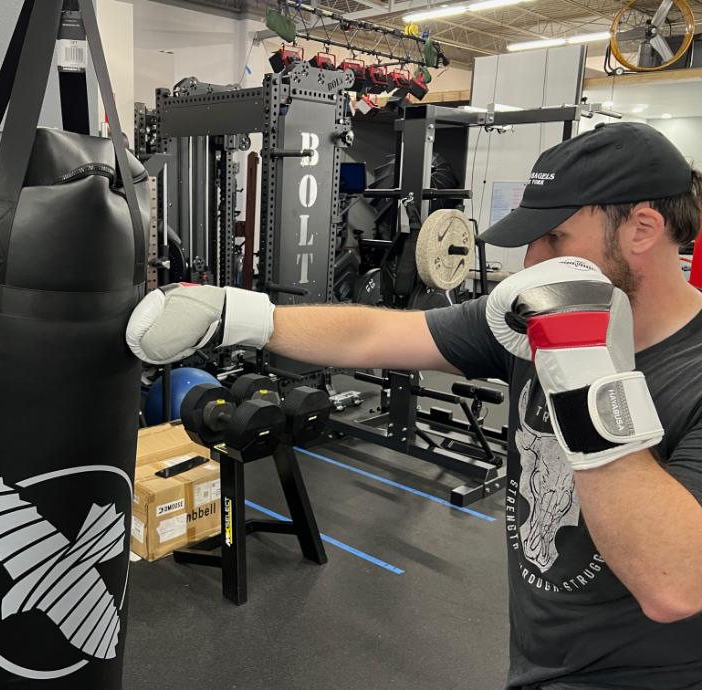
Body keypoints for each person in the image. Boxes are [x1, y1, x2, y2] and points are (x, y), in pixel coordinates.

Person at [126, 121, 702, 689]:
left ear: (642, 230)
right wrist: (242, 315)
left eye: (554, 240)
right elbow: (376, 336)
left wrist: (586, 369)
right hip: (541, 654)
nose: (531, 262)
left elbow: (674, 583)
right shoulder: (534, 318)